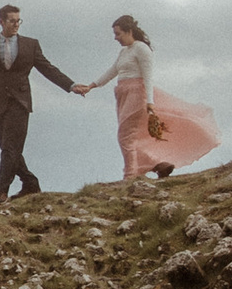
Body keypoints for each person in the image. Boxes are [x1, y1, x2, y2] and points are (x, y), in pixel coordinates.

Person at [77, 12, 218, 182]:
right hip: (122, 93)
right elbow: (113, 71)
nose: (115, 38)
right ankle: (159, 164)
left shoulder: (141, 49)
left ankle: (130, 176)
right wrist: (91, 86)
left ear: (129, 31)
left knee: (125, 135)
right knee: (134, 135)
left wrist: (150, 102)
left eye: (118, 33)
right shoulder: (124, 52)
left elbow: (148, 77)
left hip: (137, 93)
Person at [0, 3, 79, 201]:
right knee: (9, 149)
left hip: (21, 102)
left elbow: (47, 68)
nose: (16, 24)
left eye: (19, 21)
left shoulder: (30, 44)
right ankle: (31, 184)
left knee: (10, 148)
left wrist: (71, 85)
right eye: (12, 21)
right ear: (1, 22)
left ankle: (0, 191)